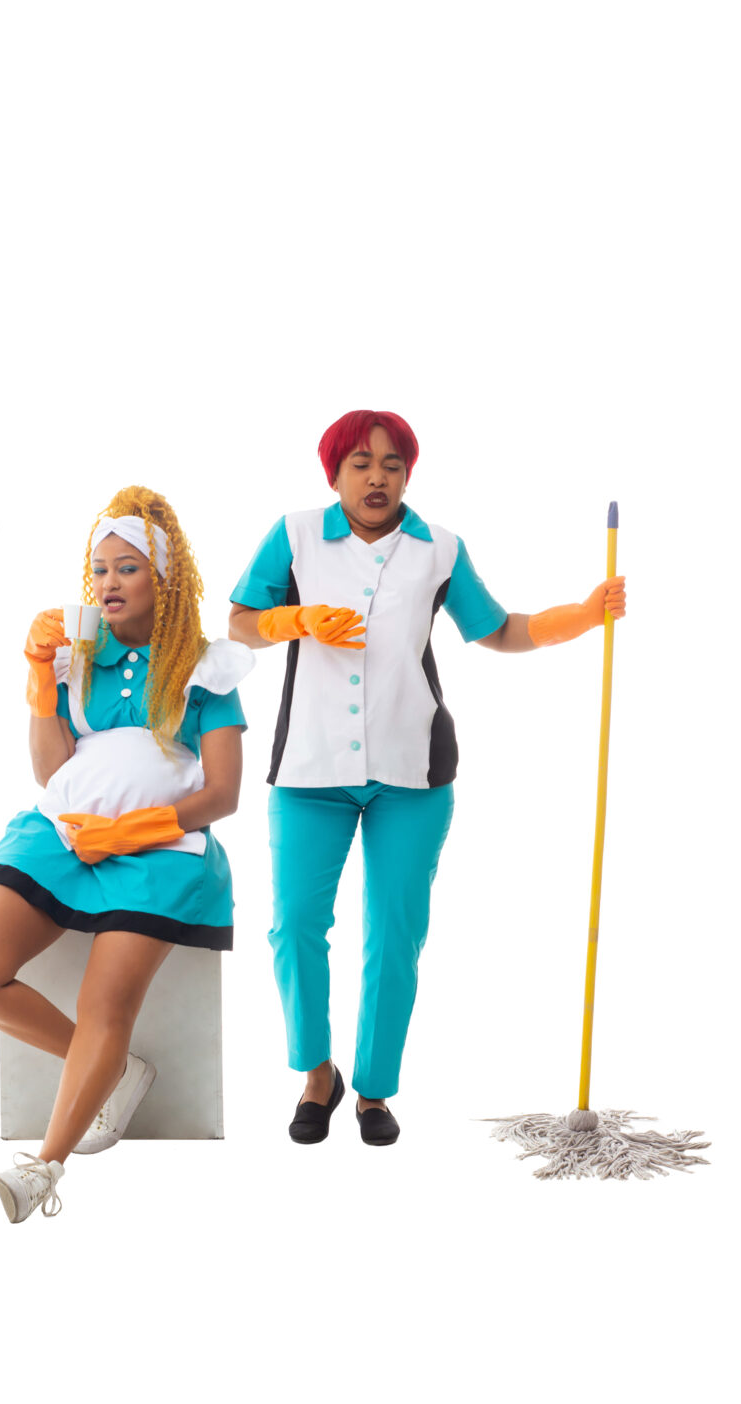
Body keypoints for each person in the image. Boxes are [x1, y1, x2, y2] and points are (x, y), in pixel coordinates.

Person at [229, 409, 626, 1147]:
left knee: (396, 934)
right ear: (335, 474)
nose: (377, 477)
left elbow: (499, 629)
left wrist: (581, 615)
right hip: (309, 768)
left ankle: (373, 1091)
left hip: (413, 774)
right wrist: (295, 621)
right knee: (294, 927)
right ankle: (317, 1075)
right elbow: (241, 620)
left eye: (392, 464)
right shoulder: (296, 535)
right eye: (360, 464)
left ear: (408, 474)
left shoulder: (439, 549)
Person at [0, 486, 251, 1222]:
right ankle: (112, 1069)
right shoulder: (76, 659)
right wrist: (39, 681)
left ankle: (44, 1167)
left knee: (104, 1003)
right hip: (62, 832)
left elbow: (223, 792)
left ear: (164, 580)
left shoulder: (203, 668)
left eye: (128, 569)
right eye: (100, 569)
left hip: (161, 849)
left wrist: (133, 832)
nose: (109, 582)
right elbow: (50, 770)